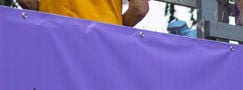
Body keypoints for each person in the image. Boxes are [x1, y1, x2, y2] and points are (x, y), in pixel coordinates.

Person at [18, 0, 149, 27]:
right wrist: (114, 31)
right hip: (104, 41)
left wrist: (46, 16)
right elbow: (139, 8)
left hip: (54, 34)